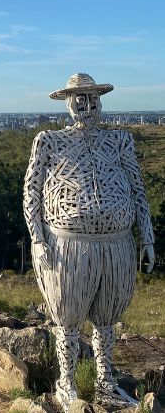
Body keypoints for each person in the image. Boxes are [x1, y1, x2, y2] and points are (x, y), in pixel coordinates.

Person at [23, 73, 156, 411]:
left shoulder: (120, 141)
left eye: (92, 99)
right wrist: (38, 239)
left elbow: (137, 189)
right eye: (79, 100)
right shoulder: (49, 141)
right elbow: (31, 193)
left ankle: (104, 381)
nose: (86, 106)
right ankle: (66, 381)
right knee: (67, 318)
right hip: (68, 246)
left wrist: (147, 236)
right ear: (69, 104)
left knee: (107, 318)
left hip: (116, 244)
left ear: (100, 102)